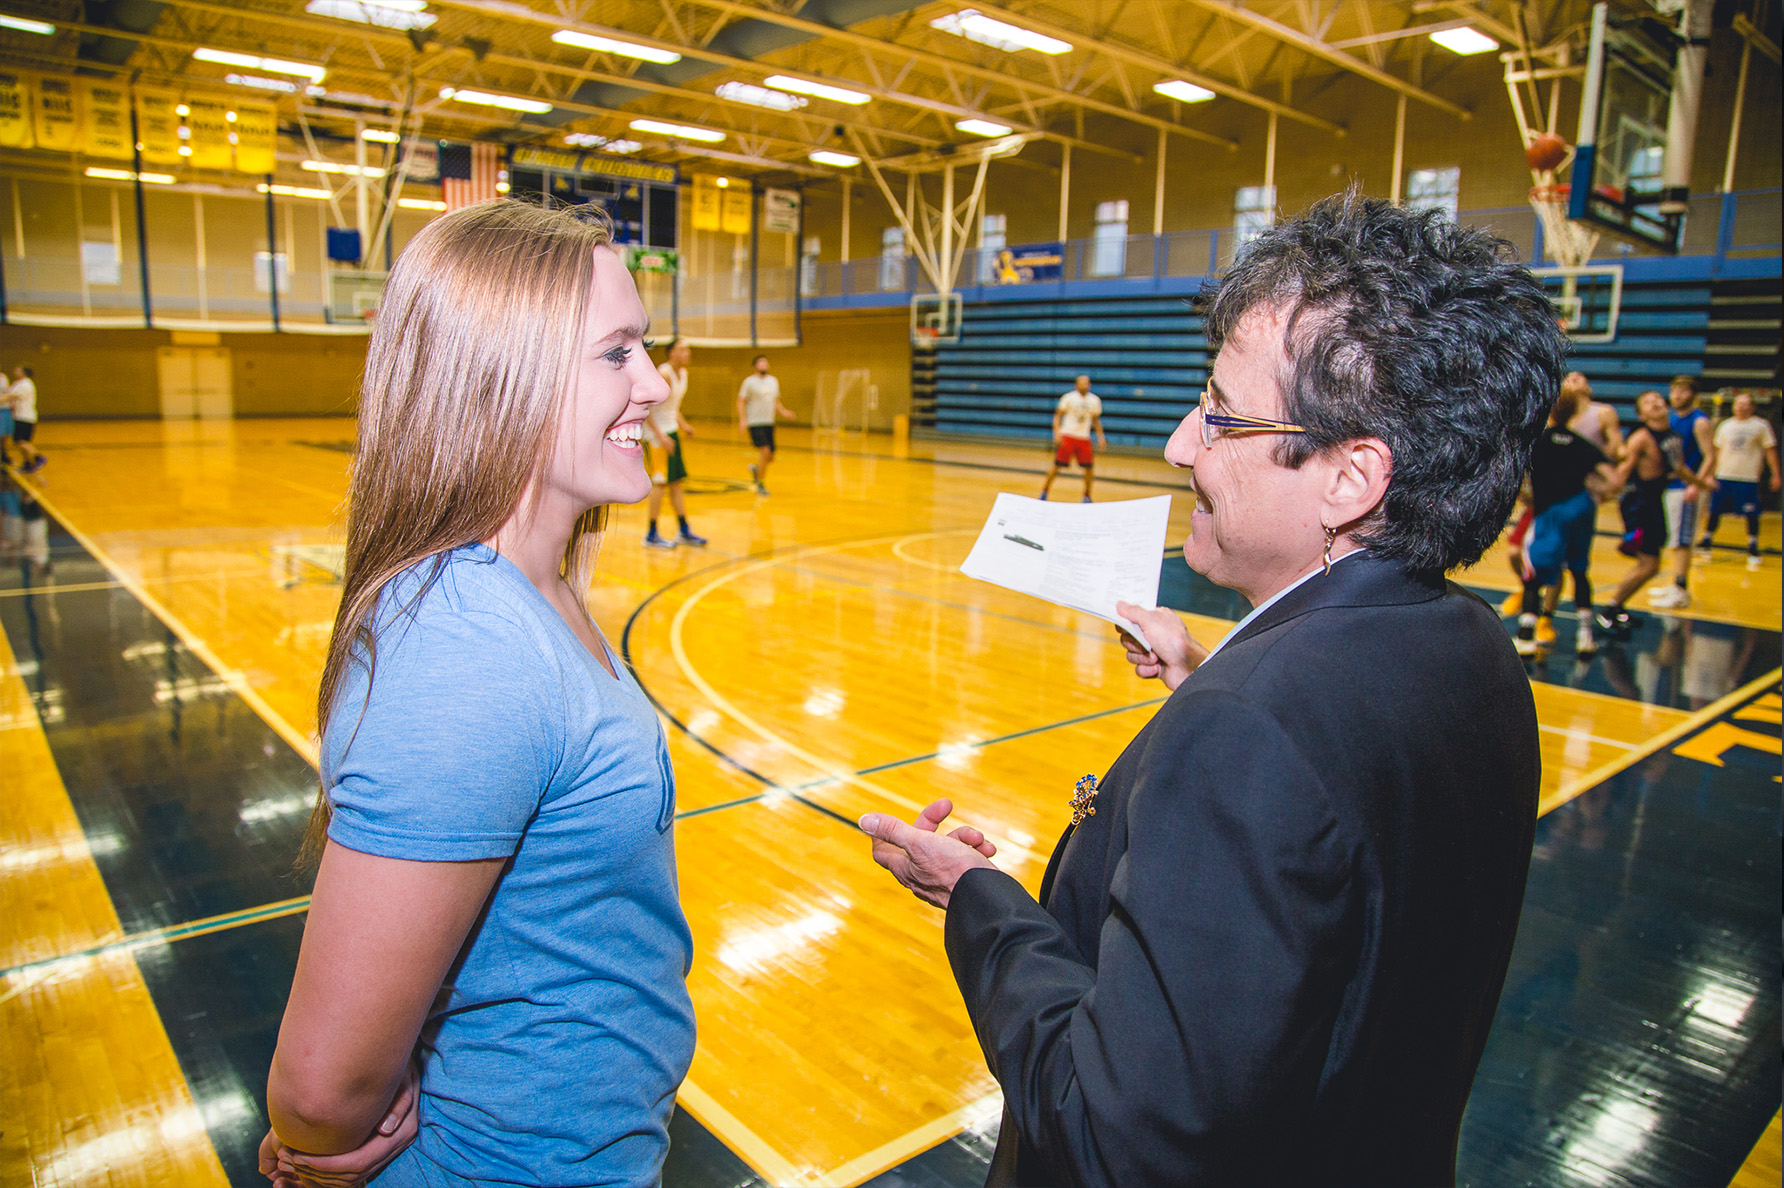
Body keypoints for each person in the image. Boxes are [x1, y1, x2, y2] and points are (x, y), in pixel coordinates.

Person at [859, 193, 1565, 1187]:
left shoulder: (1249, 734)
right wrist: (1206, 681)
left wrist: (977, 900)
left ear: (1347, 479)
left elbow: (1116, 1138)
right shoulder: (1472, 650)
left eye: (1220, 415)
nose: (1181, 444)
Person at [259, 201, 694, 1188]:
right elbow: (321, 1091)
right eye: (617, 353)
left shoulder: (539, 592)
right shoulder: (468, 647)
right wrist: (324, 1144)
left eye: (646, 348)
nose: (655, 382)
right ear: (501, 375)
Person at [1513, 385, 1619, 657]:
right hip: (1581, 508)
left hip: (1549, 512)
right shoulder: (1584, 446)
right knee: (1579, 571)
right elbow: (1615, 480)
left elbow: (1513, 476)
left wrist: (1526, 496)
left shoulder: (1536, 442)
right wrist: (1600, 496)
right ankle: (1585, 636)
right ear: (1574, 412)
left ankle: (1525, 635)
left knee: (1533, 575)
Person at [1594, 391, 1698, 637]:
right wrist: (1603, 493)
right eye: (1649, 402)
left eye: (1659, 399)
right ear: (1642, 414)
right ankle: (1610, 609)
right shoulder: (1641, 438)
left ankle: (1617, 607)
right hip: (1639, 503)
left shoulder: (1673, 435)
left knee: (1650, 563)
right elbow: (1624, 470)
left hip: (1654, 500)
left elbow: (1680, 468)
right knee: (1649, 563)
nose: (1657, 403)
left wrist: (1702, 484)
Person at [1650, 376, 1714, 608]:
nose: (1676, 395)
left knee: (1683, 539)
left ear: (1693, 394)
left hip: (1688, 487)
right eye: (1674, 391)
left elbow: (1710, 455)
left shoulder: (1699, 421)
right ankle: (1674, 584)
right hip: (1672, 485)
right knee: (1674, 539)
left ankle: (1681, 589)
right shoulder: (1674, 419)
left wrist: (1696, 483)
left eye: (1682, 391)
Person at [1695, 392, 1779, 571]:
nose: (1740, 407)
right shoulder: (1725, 426)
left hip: (1747, 477)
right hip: (1723, 475)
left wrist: (1776, 474)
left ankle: (1753, 546)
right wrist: (1710, 474)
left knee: (1751, 513)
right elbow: (1716, 452)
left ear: (1752, 407)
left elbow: (1770, 451)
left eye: (1744, 404)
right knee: (1715, 510)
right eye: (1737, 404)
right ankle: (1707, 541)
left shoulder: (1761, 426)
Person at [644, 338, 708, 549]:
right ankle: (651, 534)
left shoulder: (684, 374)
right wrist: (660, 436)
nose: (687, 352)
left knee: (676, 482)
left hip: (671, 431)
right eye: (682, 349)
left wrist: (683, 424)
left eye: (688, 349)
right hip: (657, 436)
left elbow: (672, 406)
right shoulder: (664, 374)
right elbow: (646, 408)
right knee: (660, 483)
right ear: (671, 353)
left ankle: (683, 529)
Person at [1039, 375, 1106, 502]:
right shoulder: (1068, 398)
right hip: (1068, 436)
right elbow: (1058, 416)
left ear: (1089, 385)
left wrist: (1101, 437)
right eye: (1081, 383)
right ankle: (1044, 491)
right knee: (1057, 466)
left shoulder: (1094, 400)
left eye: (1086, 383)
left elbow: (1096, 421)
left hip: (1084, 438)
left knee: (1089, 468)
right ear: (1076, 385)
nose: (1084, 386)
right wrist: (1057, 433)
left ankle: (1087, 495)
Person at [737, 353, 793, 495]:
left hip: (769, 422)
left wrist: (784, 411)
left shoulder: (773, 381)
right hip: (755, 422)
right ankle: (760, 484)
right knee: (765, 451)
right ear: (755, 366)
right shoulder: (749, 382)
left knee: (770, 457)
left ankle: (757, 469)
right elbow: (740, 401)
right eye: (761, 363)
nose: (764, 365)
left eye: (766, 363)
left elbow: (775, 401)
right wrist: (743, 420)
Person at [1563, 370, 1625, 462]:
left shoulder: (1604, 412)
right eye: (1568, 378)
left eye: (1579, 377)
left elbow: (1617, 447)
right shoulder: (1557, 415)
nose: (1574, 378)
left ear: (1589, 388)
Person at [8, 365, 43, 474]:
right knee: (19, 442)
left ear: (24, 372)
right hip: (19, 416)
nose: (15, 370)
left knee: (22, 441)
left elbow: (13, 397)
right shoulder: (19, 383)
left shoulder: (26, 385)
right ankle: (28, 463)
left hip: (25, 417)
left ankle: (38, 458)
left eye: (18, 369)